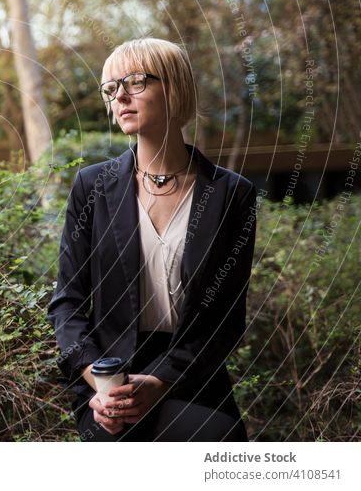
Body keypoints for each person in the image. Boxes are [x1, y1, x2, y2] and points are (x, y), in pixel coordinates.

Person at [47, 37, 257, 441]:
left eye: (136, 81)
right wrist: (102, 386)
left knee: (220, 442)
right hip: (106, 375)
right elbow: (67, 304)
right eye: (111, 89)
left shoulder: (232, 194)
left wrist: (160, 382)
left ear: (174, 87)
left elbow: (225, 319)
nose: (120, 96)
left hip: (190, 369)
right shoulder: (92, 187)